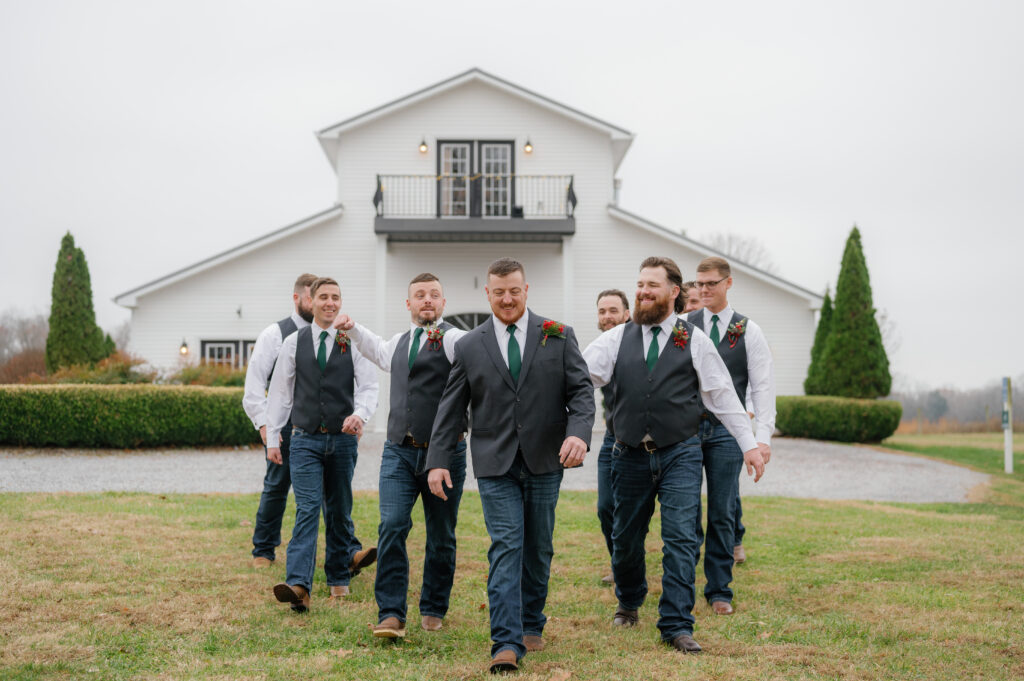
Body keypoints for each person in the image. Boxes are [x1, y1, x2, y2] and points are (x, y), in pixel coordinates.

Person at [582, 256, 765, 655]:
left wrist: (750, 444)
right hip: (628, 452)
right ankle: (629, 601)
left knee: (681, 537)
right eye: (640, 284)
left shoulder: (694, 340)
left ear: (673, 292)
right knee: (626, 537)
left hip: (680, 452)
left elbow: (722, 395)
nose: (644, 291)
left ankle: (677, 623)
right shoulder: (616, 339)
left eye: (652, 285)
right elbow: (579, 377)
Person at [425, 257, 594, 674]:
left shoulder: (558, 335)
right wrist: (438, 461)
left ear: (526, 289)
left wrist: (579, 433)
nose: (506, 298)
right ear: (488, 293)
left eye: (514, 291)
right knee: (506, 546)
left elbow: (582, 393)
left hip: (545, 459)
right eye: (498, 291)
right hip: (495, 462)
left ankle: (531, 620)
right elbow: (451, 409)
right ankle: (505, 641)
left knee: (538, 548)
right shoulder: (469, 345)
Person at [334, 273, 469, 639]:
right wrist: (353, 327)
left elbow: (482, 361)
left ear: (443, 303)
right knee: (392, 525)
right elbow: (376, 349)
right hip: (398, 452)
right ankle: (391, 613)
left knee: (441, 535)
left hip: (446, 454)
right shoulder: (399, 342)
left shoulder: (455, 340)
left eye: (435, 295)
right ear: (408, 304)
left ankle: (434, 606)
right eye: (420, 295)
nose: (428, 300)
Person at [265, 277, 380, 612]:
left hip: (343, 441)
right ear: (310, 301)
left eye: (336, 297)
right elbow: (282, 395)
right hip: (304, 440)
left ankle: (339, 578)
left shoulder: (351, 340)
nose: (331, 303)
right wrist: (274, 437)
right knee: (307, 509)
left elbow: (369, 387)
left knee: (340, 505)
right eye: (324, 297)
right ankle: (299, 585)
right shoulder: (293, 342)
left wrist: (360, 415)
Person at [688, 257, 775, 615]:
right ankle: (681, 582)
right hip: (687, 430)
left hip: (728, 431)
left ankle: (719, 589)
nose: (704, 290)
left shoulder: (748, 330)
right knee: (686, 510)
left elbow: (763, 385)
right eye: (699, 284)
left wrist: (762, 436)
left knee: (723, 510)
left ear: (728, 283)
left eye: (711, 283)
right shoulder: (682, 325)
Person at [241, 273, 317, 569]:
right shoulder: (274, 334)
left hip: (318, 425)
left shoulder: (329, 332)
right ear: (297, 298)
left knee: (324, 493)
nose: (316, 303)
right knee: (276, 486)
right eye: (311, 297)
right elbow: (254, 383)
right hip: (283, 426)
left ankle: (338, 551)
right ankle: (263, 548)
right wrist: (263, 424)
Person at [594, 289, 631, 585]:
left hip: (644, 442)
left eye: (613, 310)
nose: (607, 317)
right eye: (602, 311)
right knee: (606, 506)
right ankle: (620, 563)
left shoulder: (638, 343)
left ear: (627, 314)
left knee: (634, 512)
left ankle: (628, 566)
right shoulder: (598, 348)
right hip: (611, 438)